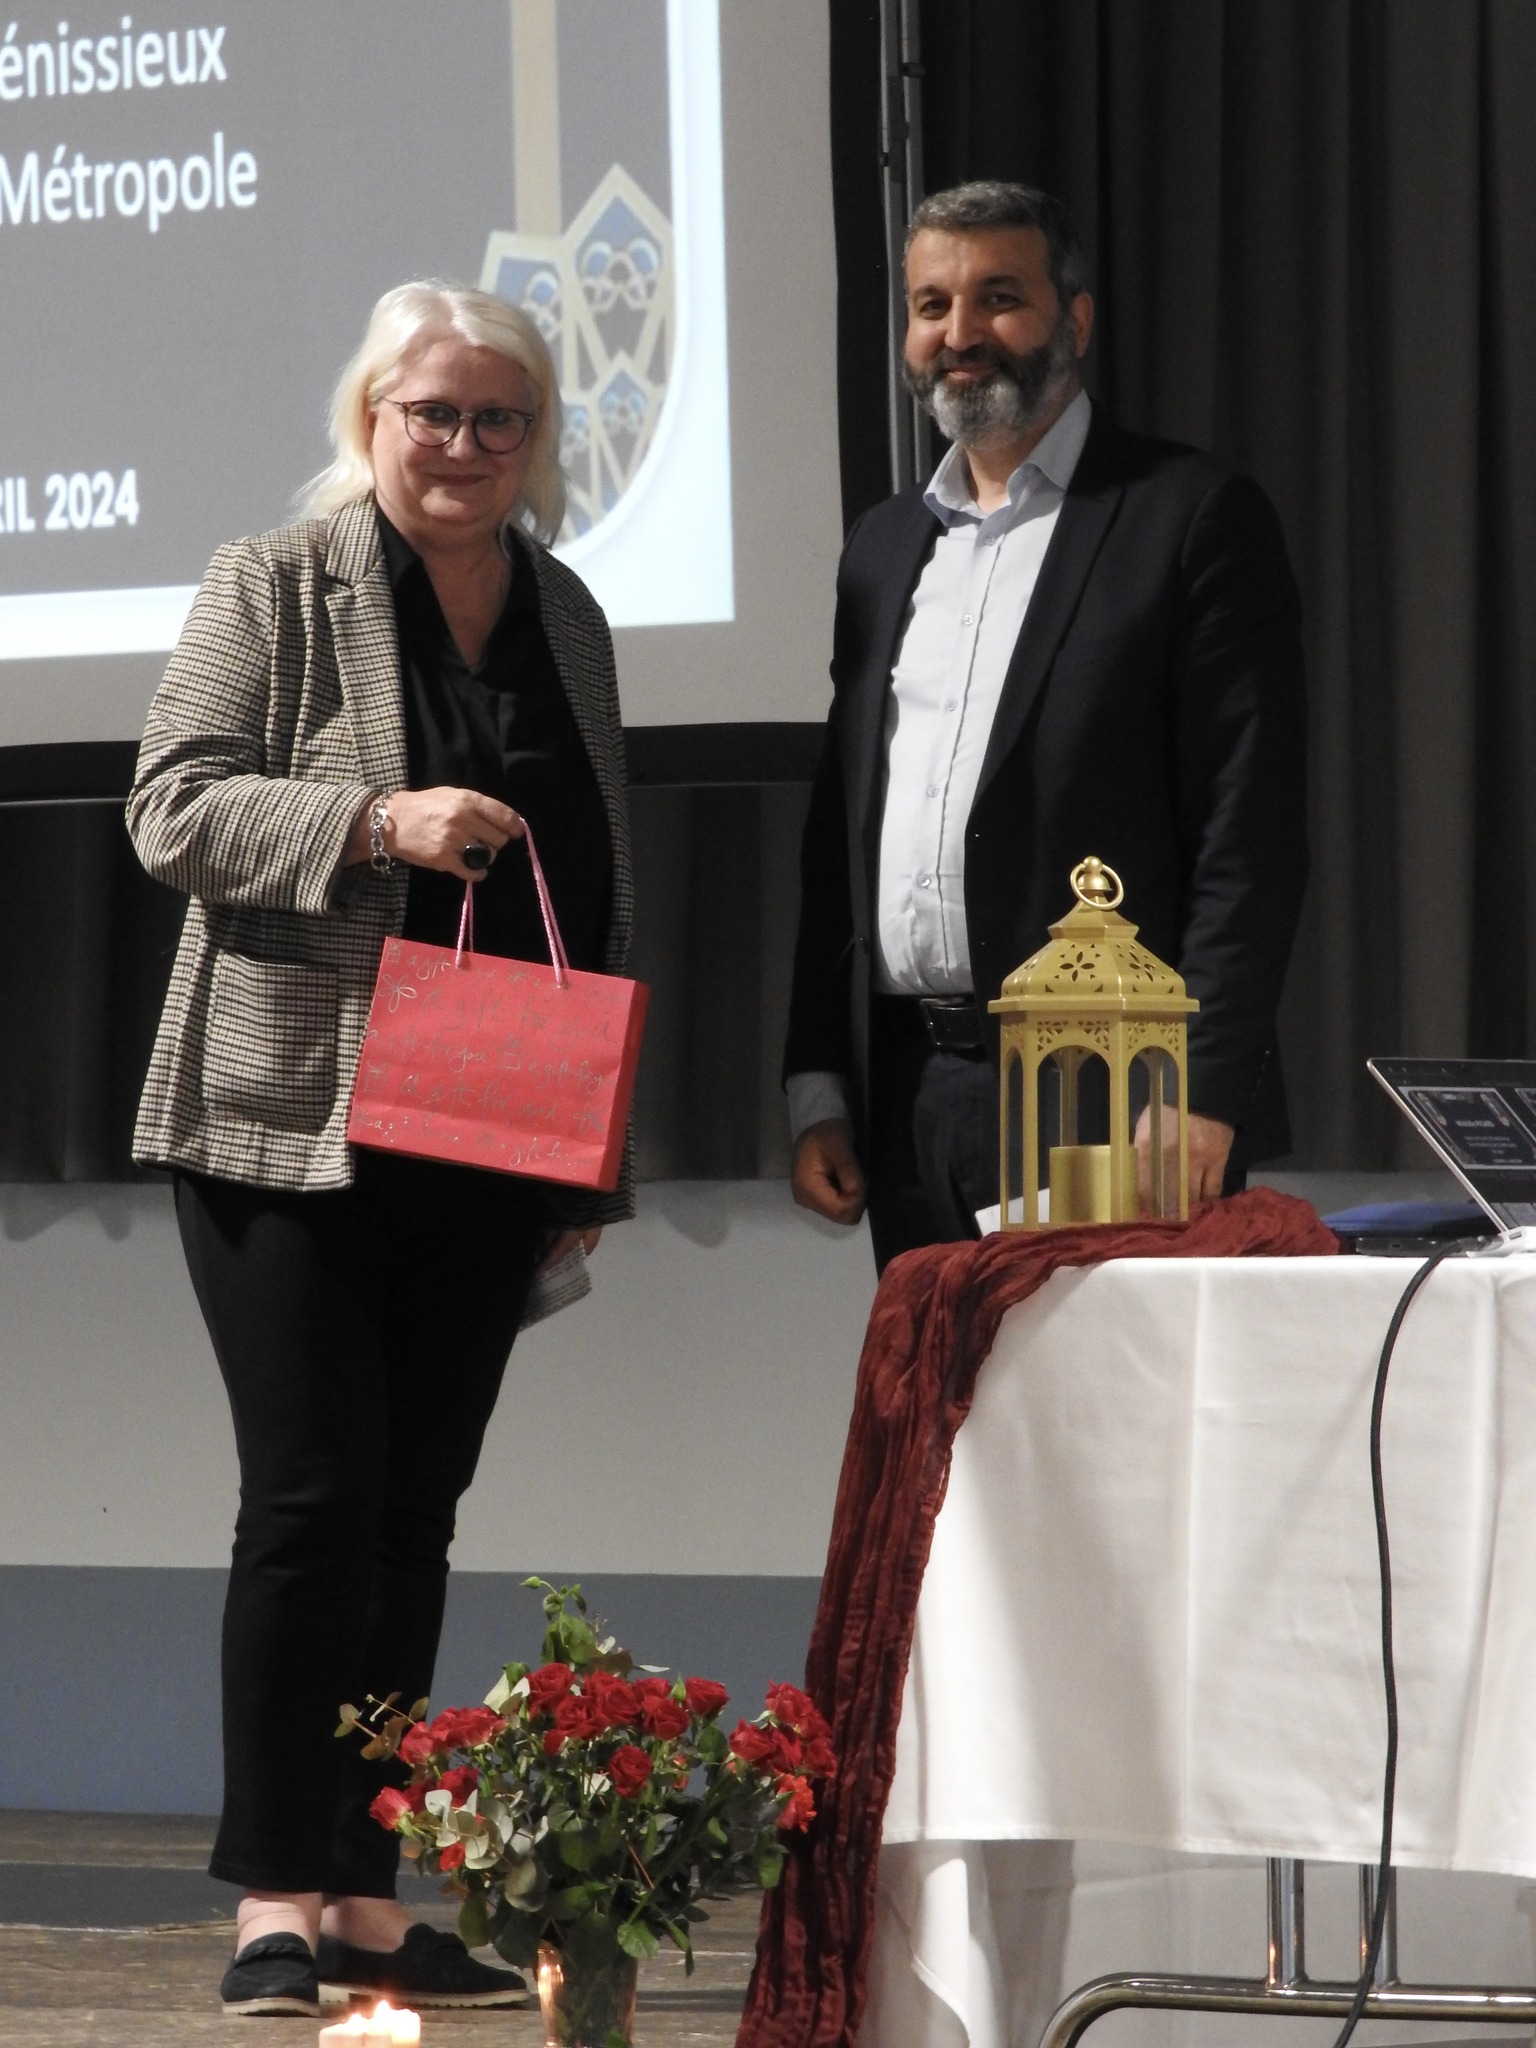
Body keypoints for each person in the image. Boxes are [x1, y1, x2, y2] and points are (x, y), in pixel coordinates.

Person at [126, 281, 633, 2016]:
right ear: (371, 419)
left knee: (414, 1517)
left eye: (501, 418)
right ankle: (274, 1897)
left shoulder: (567, 613)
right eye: (434, 412)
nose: (466, 444)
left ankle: (364, 1888)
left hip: (491, 1129)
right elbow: (170, 806)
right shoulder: (273, 581)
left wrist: (587, 1149)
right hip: (289, 1116)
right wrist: (372, 820)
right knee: (313, 1503)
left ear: (535, 436)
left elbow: (599, 883)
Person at [785, 182, 1308, 1270]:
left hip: (1118, 1095)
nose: (959, 334)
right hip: (910, 1101)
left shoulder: (1189, 517)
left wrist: (1207, 1085)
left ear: (1074, 319)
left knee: (1106, 1391)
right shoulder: (883, 547)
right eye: (931, 305)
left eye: (998, 297)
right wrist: (819, 1079)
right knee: (939, 1388)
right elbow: (842, 829)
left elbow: (1248, 834)